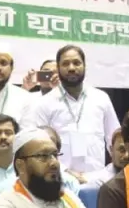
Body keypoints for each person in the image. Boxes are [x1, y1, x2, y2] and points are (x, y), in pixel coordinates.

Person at [23, 46, 120, 181]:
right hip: (60, 180)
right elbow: (38, 146)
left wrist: (110, 172)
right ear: (58, 68)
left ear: (85, 66)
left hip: (98, 180)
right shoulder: (44, 103)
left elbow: (115, 139)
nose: (71, 68)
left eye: (76, 63)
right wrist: (66, 172)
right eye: (65, 64)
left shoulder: (101, 98)